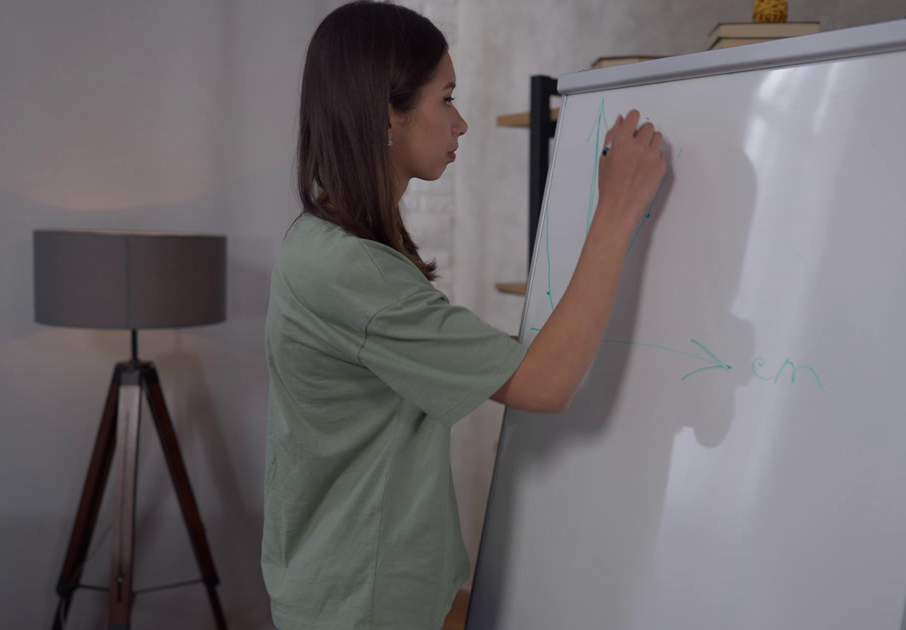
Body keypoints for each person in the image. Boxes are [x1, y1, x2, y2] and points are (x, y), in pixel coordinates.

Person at [262, 1, 668, 628]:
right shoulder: (355, 271)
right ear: (387, 114)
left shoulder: (322, 244)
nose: (462, 123)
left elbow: (470, 360)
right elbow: (545, 383)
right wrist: (616, 209)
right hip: (365, 603)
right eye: (446, 98)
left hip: (358, 584)